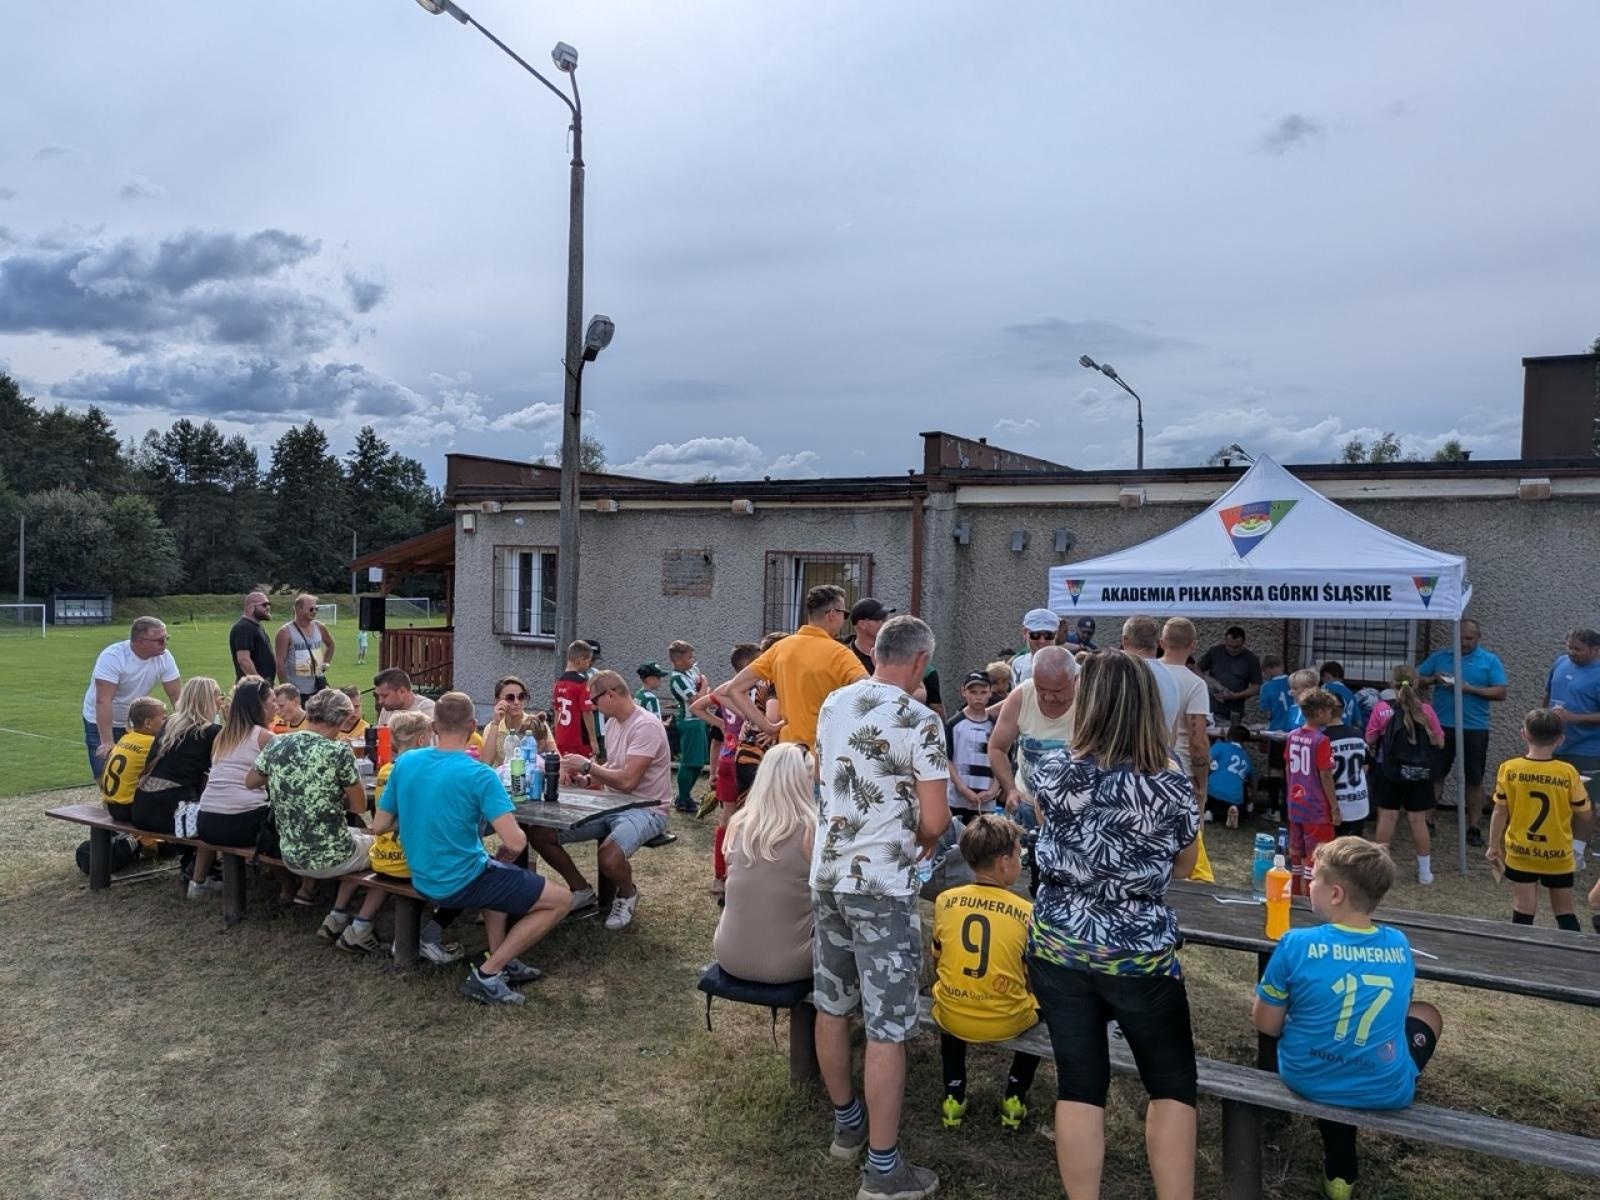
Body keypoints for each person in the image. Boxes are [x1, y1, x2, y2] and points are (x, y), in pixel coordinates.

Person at [1028, 650, 1200, 1200]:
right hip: (1136, 952)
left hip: (1058, 944)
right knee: (1171, 1086)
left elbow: (1047, 832)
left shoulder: (1053, 771)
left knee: (1080, 1082)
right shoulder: (1171, 784)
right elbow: (1186, 863)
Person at [809, 616, 949, 1200]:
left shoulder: (835, 703)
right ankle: (884, 1170)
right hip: (883, 886)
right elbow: (937, 820)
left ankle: (848, 1130)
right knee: (890, 1026)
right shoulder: (922, 720)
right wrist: (922, 836)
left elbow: (824, 777)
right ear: (919, 663)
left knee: (832, 1004)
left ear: (878, 652)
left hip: (828, 872)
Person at [1252, 837, 1444, 1200]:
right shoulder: (1399, 944)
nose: (1308, 884)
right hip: (1385, 1089)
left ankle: (1336, 1162)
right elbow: (1398, 1013)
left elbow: (1266, 1026)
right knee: (1427, 1014)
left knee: (1321, 1035)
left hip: (1306, 1075)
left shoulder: (1295, 943)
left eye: (1313, 878)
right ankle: (1341, 1170)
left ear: (1335, 893)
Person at [375, 691, 571, 1003]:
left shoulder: (407, 761)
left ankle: (501, 957)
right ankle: (488, 974)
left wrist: (419, 819)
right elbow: (517, 842)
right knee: (561, 900)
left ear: (434, 726)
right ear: (472, 725)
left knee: (498, 878)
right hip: (458, 879)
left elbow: (379, 825)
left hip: (422, 873)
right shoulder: (479, 774)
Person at [527, 670, 672, 930]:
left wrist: (587, 768)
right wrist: (586, 781)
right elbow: (614, 769)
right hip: (611, 802)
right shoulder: (615, 722)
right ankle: (581, 891)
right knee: (540, 832)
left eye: (594, 701)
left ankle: (627, 894)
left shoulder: (646, 725)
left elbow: (629, 782)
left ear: (611, 695)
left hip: (647, 808)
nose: (592, 707)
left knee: (609, 856)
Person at [246, 687, 382, 945]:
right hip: (330, 855)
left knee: (355, 838)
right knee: (384, 847)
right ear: (342, 719)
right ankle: (357, 925)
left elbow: (251, 781)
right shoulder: (338, 751)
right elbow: (358, 806)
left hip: (290, 851)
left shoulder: (279, 743)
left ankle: (336, 915)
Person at [931, 814, 1041, 1132]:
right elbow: (1032, 973)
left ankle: (954, 1095)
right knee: (1045, 1006)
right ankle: (1015, 1096)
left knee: (949, 994)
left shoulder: (945, 901)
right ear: (1005, 862)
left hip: (952, 1014)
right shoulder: (1026, 911)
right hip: (1007, 1019)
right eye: (1019, 856)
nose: (1020, 863)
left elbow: (938, 961)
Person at [711, 743, 817, 984]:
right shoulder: (812, 830)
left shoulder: (738, 824)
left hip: (729, 954)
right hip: (789, 964)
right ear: (803, 782)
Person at [718, 584, 867, 749]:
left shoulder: (780, 648)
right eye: (844, 614)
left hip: (789, 753)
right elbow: (871, 692)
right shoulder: (840, 653)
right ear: (832, 614)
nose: (844, 620)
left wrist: (767, 726)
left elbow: (734, 688)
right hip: (825, 754)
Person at [1486, 708, 1591, 930]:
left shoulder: (1509, 769)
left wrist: (1493, 845)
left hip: (1521, 850)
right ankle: (1574, 956)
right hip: (1557, 853)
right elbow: (1585, 814)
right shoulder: (1568, 772)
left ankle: (1520, 956)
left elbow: (1500, 811)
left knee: (1523, 908)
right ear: (1561, 740)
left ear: (1524, 734)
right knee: (1564, 910)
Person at [1416, 619, 1509, 846]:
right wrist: (1431, 680)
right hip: (1442, 727)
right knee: (1435, 775)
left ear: (1478, 637)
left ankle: (1474, 827)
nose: (1465, 642)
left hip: (1474, 728)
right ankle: (1428, 820)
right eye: (1461, 638)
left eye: (1469, 638)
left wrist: (1469, 689)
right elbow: (1415, 679)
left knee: (1474, 778)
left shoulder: (1489, 660)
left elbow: (1500, 692)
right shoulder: (1441, 657)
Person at [189, 675, 275, 900]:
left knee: (222, 804)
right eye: (272, 702)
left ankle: (196, 885)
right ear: (261, 707)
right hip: (242, 824)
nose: (275, 707)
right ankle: (290, 888)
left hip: (207, 822)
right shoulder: (265, 737)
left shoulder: (222, 736)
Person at [692, 643, 762, 901]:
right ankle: (734, 874)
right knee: (748, 819)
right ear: (747, 666)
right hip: (745, 759)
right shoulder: (753, 690)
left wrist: (722, 725)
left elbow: (697, 707)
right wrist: (725, 723)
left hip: (727, 757)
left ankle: (720, 876)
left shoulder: (728, 688)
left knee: (728, 819)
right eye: (759, 661)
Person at [1366, 666, 1446, 885]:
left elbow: (1370, 739)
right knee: (1418, 819)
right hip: (1419, 773)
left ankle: (1380, 870)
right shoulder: (1426, 710)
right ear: (1416, 684)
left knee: (1388, 816)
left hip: (1389, 771)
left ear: (1392, 684)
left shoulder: (1382, 709)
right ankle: (1424, 873)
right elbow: (1440, 742)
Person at [82, 616, 182, 782]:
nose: (164, 644)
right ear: (141, 641)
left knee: (140, 773)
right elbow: (104, 700)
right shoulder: (113, 657)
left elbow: (176, 696)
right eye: (159, 640)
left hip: (135, 721)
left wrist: (185, 726)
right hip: (100, 720)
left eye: (166, 639)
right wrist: (107, 742)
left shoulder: (164, 657)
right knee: (105, 777)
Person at [988, 647, 1078, 829]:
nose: (1048, 697)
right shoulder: (1021, 696)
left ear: (1074, 679)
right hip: (1027, 803)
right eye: (1041, 688)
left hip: (1074, 808)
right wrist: (1010, 789)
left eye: (1057, 691)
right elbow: (996, 748)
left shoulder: (1090, 700)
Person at [131, 676, 223, 839]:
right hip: (174, 812)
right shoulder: (211, 732)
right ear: (208, 700)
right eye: (218, 697)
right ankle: (199, 861)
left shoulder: (170, 724)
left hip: (142, 808)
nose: (221, 702)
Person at [1286, 689, 1341, 894]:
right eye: (1328, 711)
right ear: (1319, 713)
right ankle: (1311, 896)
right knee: (1317, 854)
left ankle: (1294, 892)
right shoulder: (1321, 740)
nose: (1330, 715)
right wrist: (1334, 807)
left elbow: (1288, 769)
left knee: (1296, 851)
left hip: (1296, 802)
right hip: (1316, 806)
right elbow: (1325, 775)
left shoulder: (1292, 736)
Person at [1158, 618, 1213, 824]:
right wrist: (1201, 785)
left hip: (1142, 765)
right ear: (1193, 645)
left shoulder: (1145, 673)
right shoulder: (1195, 684)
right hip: (1180, 770)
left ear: (1161, 642)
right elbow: (1198, 741)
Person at [98, 697, 167, 823]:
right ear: (148, 723)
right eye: (164, 718)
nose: (167, 722)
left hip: (110, 804)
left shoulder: (126, 738)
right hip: (128, 807)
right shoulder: (151, 743)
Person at [1545, 628, 1600, 786]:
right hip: (1554, 744)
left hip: (1587, 750)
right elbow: (1549, 695)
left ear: (1595, 649)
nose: (1571, 652)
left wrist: (1574, 717)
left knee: (1584, 800)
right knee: (1558, 797)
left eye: (1578, 649)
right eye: (1569, 647)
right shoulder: (1560, 662)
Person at [945, 671, 998, 820]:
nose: (978, 697)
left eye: (983, 692)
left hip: (986, 798)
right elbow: (947, 759)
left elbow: (1002, 758)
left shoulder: (995, 725)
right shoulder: (953, 724)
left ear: (990, 692)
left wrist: (994, 790)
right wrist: (962, 789)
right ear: (964, 692)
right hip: (958, 799)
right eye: (973, 692)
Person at [1119, 616, 1180, 737]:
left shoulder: (1119, 673)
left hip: (1122, 752)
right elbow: (1173, 733)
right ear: (1158, 643)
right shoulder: (1172, 678)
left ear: (1124, 641)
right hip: (1160, 752)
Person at [668, 639, 710, 813]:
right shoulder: (677, 679)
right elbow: (696, 699)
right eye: (688, 657)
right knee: (689, 762)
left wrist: (704, 689)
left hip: (699, 719)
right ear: (677, 660)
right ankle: (683, 799)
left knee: (699, 762)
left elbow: (703, 692)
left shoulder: (691, 671)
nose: (692, 660)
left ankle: (685, 796)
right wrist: (705, 686)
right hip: (689, 721)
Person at [274, 593, 335, 704]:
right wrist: (286, 689)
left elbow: (331, 644)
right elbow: (279, 662)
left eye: (316, 609)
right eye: (311, 609)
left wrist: (326, 663)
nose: (314, 612)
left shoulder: (319, 627)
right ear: (299, 609)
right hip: (297, 691)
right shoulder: (285, 632)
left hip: (317, 688)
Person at [1324, 703, 1371, 838]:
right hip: (1359, 800)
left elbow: (1324, 774)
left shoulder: (1324, 738)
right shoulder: (1357, 733)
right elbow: (1366, 765)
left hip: (1336, 803)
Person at [1199, 626, 1262, 724]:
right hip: (1211, 709)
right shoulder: (1215, 652)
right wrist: (1210, 683)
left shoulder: (1251, 659)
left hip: (1234, 711)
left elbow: (1257, 687)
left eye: (1237, 647)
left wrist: (1236, 696)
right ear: (1224, 640)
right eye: (1229, 646)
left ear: (1244, 643)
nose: (1232, 649)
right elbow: (1197, 669)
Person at [1258, 653, 1294, 820]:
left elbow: (1266, 710)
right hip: (1295, 732)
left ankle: (1274, 809)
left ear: (1267, 670)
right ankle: (1290, 809)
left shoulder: (1267, 687)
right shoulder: (1294, 683)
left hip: (1277, 733)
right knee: (1292, 770)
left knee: (1275, 769)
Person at [481, 675, 544, 768]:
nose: (516, 702)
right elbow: (486, 763)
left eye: (521, 696)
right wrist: (495, 723)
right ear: (497, 701)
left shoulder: (535, 723)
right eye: (510, 698)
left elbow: (555, 756)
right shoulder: (492, 728)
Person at [552, 639, 600, 758]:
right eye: (588, 661)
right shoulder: (582, 683)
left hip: (562, 738)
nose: (589, 664)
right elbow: (587, 712)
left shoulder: (558, 683)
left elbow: (557, 711)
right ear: (580, 661)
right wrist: (593, 740)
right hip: (578, 739)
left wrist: (556, 734)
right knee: (582, 772)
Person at [1206, 725, 1254, 827]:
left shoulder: (1219, 746)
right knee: (1242, 783)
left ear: (1228, 736)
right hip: (1235, 797)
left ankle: (1208, 811)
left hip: (1212, 793)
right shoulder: (1247, 758)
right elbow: (1250, 779)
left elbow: (1206, 761)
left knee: (1210, 777)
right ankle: (1233, 808)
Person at [230, 592, 276, 683]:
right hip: (251, 687)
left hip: (261, 686)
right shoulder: (243, 627)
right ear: (251, 607)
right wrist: (259, 683)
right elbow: (244, 660)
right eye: (264, 605)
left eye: (269, 604)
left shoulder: (257, 626)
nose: (268, 607)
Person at [1010, 608, 1061, 686]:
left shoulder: (1069, 666)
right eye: (1035, 635)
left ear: (1056, 634)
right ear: (1024, 633)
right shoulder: (1018, 664)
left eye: (1048, 635)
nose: (1042, 641)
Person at [846, 597, 895, 673]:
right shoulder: (845, 656)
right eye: (882, 620)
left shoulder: (895, 653)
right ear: (863, 624)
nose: (887, 624)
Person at [1318, 661, 1361, 728]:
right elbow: (1358, 722)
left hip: (1326, 730)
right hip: (1345, 732)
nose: (1322, 682)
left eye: (1322, 680)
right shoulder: (1351, 694)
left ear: (1327, 675)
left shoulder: (1325, 688)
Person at [336, 685, 368, 754]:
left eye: (357, 706)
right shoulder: (331, 727)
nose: (353, 711)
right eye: (349, 707)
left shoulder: (365, 729)